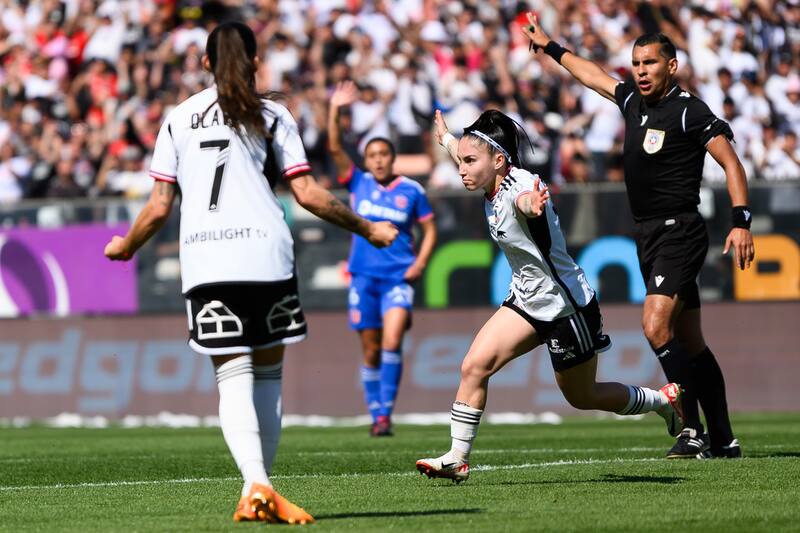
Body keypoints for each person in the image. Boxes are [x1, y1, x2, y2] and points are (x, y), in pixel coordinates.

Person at [104, 22, 397, 524]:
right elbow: (307, 194)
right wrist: (367, 227)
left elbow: (157, 207)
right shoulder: (272, 113)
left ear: (204, 63)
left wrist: (126, 245)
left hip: (207, 261)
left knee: (232, 378)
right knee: (268, 376)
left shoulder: (179, 117)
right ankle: (259, 487)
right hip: (266, 256)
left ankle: (257, 485)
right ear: (256, 62)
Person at [523, 15, 755, 459]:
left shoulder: (690, 110)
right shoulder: (632, 101)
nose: (641, 70)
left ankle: (690, 429)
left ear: (673, 65)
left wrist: (741, 220)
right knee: (691, 342)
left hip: (679, 231)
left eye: (650, 62)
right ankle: (724, 438)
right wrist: (550, 45)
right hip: (647, 235)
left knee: (654, 325)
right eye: (636, 63)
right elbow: (593, 76)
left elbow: (732, 163)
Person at [414, 109, 683, 483]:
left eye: (470, 161)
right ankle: (458, 459)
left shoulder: (519, 187)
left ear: (498, 160)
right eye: (462, 159)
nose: (462, 168)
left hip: (565, 307)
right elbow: (463, 150)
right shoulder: (488, 174)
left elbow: (525, 199)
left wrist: (532, 206)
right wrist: (445, 138)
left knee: (582, 395)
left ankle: (661, 401)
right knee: (473, 366)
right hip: (526, 301)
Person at [327, 81, 437, 436]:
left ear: (392, 158)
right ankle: (376, 414)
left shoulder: (411, 190)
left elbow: (430, 230)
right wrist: (335, 110)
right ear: (366, 160)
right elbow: (333, 146)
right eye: (372, 155)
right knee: (371, 350)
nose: (377, 160)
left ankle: (386, 413)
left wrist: (419, 264)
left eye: (383, 155)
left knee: (392, 341)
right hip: (362, 277)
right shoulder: (358, 182)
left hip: (398, 276)